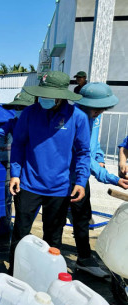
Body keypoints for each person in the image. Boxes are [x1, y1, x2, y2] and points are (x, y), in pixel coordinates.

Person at [8, 71, 91, 274]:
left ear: (62, 96)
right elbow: (18, 144)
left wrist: (80, 181)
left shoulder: (77, 117)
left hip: (59, 187)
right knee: (21, 231)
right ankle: (15, 271)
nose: (44, 99)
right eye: (42, 94)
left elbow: (83, 152)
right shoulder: (29, 113)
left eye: (50, 95)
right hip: (28, 183)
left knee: (53, 235)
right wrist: (15, 174)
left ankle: (47, 274)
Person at [70, 82, 128, 278]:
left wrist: (101, 158)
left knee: (82, 216)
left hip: (81, 176)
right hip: (68, 177)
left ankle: (84, 257)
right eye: (99, 108)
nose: (102, 111)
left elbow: (94, 145)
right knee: (59, 219)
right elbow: (82, 154)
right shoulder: (75, 118)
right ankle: (63, 258)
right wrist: (110, 178)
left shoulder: (93, 116)